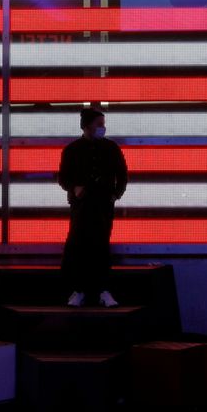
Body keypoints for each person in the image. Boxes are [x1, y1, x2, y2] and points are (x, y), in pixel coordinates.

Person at [58, 108, 128, 308]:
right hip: (82, 206)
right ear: (87, 126)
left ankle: (102, 290)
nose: (103, 128)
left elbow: (122, 174)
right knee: (79, 246)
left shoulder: (111, 148)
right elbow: (62, 177)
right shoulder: (72, 150)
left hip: (103, 205)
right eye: (99, 124)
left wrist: (115, 194)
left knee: (101, 247)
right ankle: (79, 290)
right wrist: (75, 188)